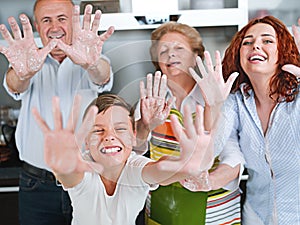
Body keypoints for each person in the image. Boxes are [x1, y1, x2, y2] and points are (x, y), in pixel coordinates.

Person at [0, 0, 114, 224]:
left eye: (62, 19)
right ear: (36, 25)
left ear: (73, 22)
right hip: (36, 184)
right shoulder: (26, 62)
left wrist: (91, 64)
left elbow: (103, 76)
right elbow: (14, 84)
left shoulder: (90, 57)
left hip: (87, 181)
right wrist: (23, 74)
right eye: (46, 20)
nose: (54, 27)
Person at [32, 93, 215, 225]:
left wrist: (186, 166)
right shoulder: (84, 166)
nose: (109, 136)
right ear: (86, 141)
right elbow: (71, 175)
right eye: (98, 130)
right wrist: (62, 167)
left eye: (119, 129)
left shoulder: (135, 166)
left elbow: (159, 170)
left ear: (134, 136)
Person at [135, 21, 244, 225]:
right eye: (163, 51)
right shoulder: (149, 100)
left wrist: (208, 181)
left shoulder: (217, 97)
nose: (170, 55)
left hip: (214, 207)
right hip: (162, 206)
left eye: (179, 48)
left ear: (196, 57)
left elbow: (234, 155)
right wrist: (144, 127)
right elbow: (134, 152)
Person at [218, 15, 300, 224]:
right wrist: (212, 105)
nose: (256, 46)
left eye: (267, 40)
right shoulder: (236, 101)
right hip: (255, 216)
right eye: (247, 42)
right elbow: (219, 147)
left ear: (283, 52)